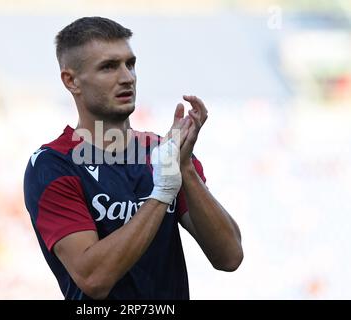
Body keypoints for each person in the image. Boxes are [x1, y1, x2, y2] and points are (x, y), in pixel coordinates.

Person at [23, 16, 243, 300]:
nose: (127, 77)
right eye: (108, 67)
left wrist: (185, 169)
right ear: (71, 80)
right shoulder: (53, 165)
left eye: (130, 63)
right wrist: (163, 192)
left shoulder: (166, 154)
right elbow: (94, 278)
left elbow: (229, 257)